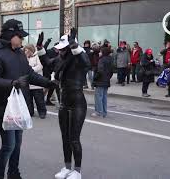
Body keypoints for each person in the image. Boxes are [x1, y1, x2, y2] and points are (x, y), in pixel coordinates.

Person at [0, 19, 56, 179]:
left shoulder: (19, 53)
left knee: (17, 145)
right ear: (10, 35)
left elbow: (30, 75)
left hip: (19, 107)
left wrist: (48, 83)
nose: (23, 39)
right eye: (20, 36)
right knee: (9, 145)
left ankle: (14, 173)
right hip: (3, 108)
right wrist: (12, 83)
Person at [54, 28, 90, 179]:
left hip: (77, 103)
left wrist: (74, 45)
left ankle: (77, 171)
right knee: (65, 137)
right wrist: (41, 47)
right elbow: (47, 63)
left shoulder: (78, 57)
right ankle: (67, 167)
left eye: (63, 49)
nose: (60, 52)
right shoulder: (61, 60)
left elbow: (86, 63)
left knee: (74, 138)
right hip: (64, 101)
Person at [24, 43, 47, 119]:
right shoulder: (24, 58)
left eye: (26, 50)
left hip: (37, 83)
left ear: (30, 49)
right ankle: (30, 112)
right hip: (28, 83)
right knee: (28, 100)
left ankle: (42, 112)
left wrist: (31, 70)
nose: (25, 51)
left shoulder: (37, 56)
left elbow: (40, 66)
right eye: (25, 50)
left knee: (39, 99)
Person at [91, 47, 113, 118]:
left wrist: (95, 78)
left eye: (100, 52)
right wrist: (107, 77)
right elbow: (111, 71)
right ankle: (104, 112)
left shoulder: (101, 60)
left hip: (100, 81)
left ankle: (98, 112)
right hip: (106, 81)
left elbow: (100, 71)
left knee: (98, 97)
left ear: (103, 52)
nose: (99, 53)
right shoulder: (110, 59)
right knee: (104, 97)